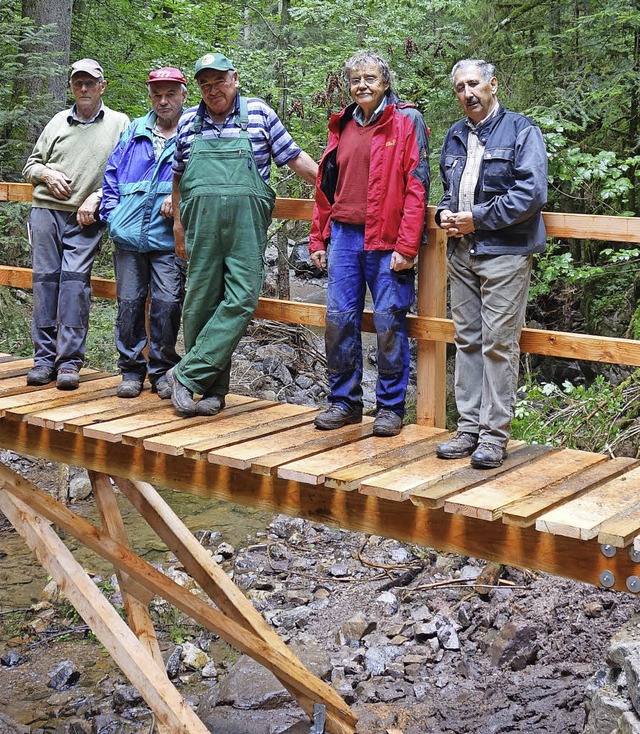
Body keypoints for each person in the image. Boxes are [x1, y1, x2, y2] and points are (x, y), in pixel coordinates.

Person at [167, 52, 318, 417]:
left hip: (246, 229)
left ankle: (186, 375)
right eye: (205, 84)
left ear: (234, 79)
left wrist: (334, 186)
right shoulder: (189, 122)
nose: (213, 89)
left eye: (219, 81)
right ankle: (212, 390)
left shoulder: (259, 114)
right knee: (200, 302)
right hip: (200, 226)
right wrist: (178, 225)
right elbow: (178, 175)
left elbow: (294, 157)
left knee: (242, 299)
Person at [308, 51, 430, 437]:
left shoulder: (405, 120)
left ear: (386, 83)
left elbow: (417, 187)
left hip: (387, 237)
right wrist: (318, 237)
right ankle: (344, 401)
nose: (362, 85)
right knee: (339, 320)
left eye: (371, 78)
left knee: (389, 322)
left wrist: (408, 246)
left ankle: (390, 407)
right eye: (356, 79)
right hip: (343, 235)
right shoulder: (342, 123)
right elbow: (325, 188)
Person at [435, 59, 548, 469]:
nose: (467, 94)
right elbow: (449, 191)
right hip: (461, 252)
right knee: (467, 340)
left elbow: (531, 193)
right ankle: (467, 428)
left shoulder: (521, 130)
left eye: (473, 85)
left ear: (492, 85)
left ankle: (493, 437)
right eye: (460, 88)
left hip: (505, 253)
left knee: (499, 344)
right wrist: (442, 216)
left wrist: (477, 218)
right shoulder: (454, 134)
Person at [22, 59, 129, 390]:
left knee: (73, 286)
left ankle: (68, 363)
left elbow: (127, 172)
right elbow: (31, 165)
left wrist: (98, 196)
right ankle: (43, 360)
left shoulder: (120, 123)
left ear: (102, 86)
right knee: (44, 283)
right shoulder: (58, 122)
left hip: (85, 218)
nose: (84, 89)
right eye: (78, 83)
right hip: (45, 212)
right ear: (72, 87)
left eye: (90, 83)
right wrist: (47, 173)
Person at [100, 68, 188, 399]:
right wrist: (112, 217)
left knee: (167, 303)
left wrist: (178, 198)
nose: (163, 101)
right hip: (128, 235)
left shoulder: (193, 131)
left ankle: (162, 370)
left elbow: (199, 179)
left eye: (170, 94)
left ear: (183, 94)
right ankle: (131, 371)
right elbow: (111, 175)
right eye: (157, 95)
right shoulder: (136, 129)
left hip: (167, 237)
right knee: (129, 304)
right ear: (150, 96)